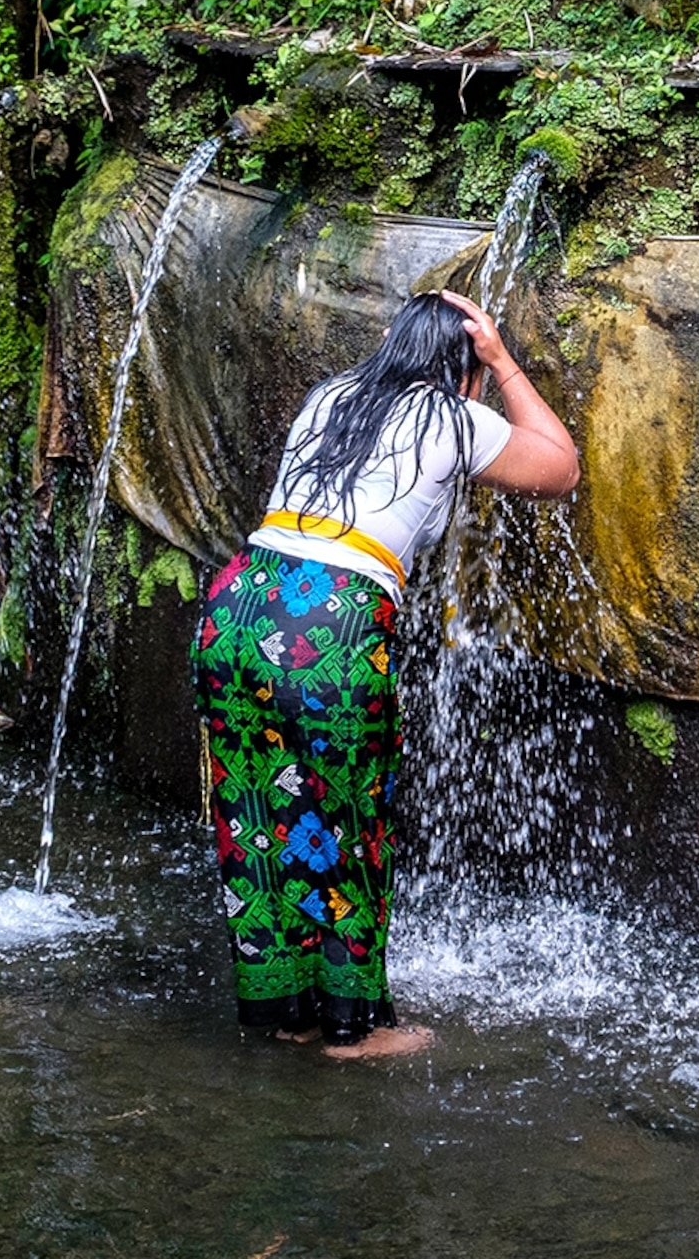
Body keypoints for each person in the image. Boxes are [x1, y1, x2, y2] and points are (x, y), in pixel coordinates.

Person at [198, 289, 580, 1058]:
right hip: (330, 623)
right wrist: (501, 358)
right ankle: (355, 1027)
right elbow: (562, 466)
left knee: (255, 811)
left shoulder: (330, 396)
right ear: (463, 368)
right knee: (350, 818)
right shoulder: (453, 415)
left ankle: (286, 1007)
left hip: (238, 603)